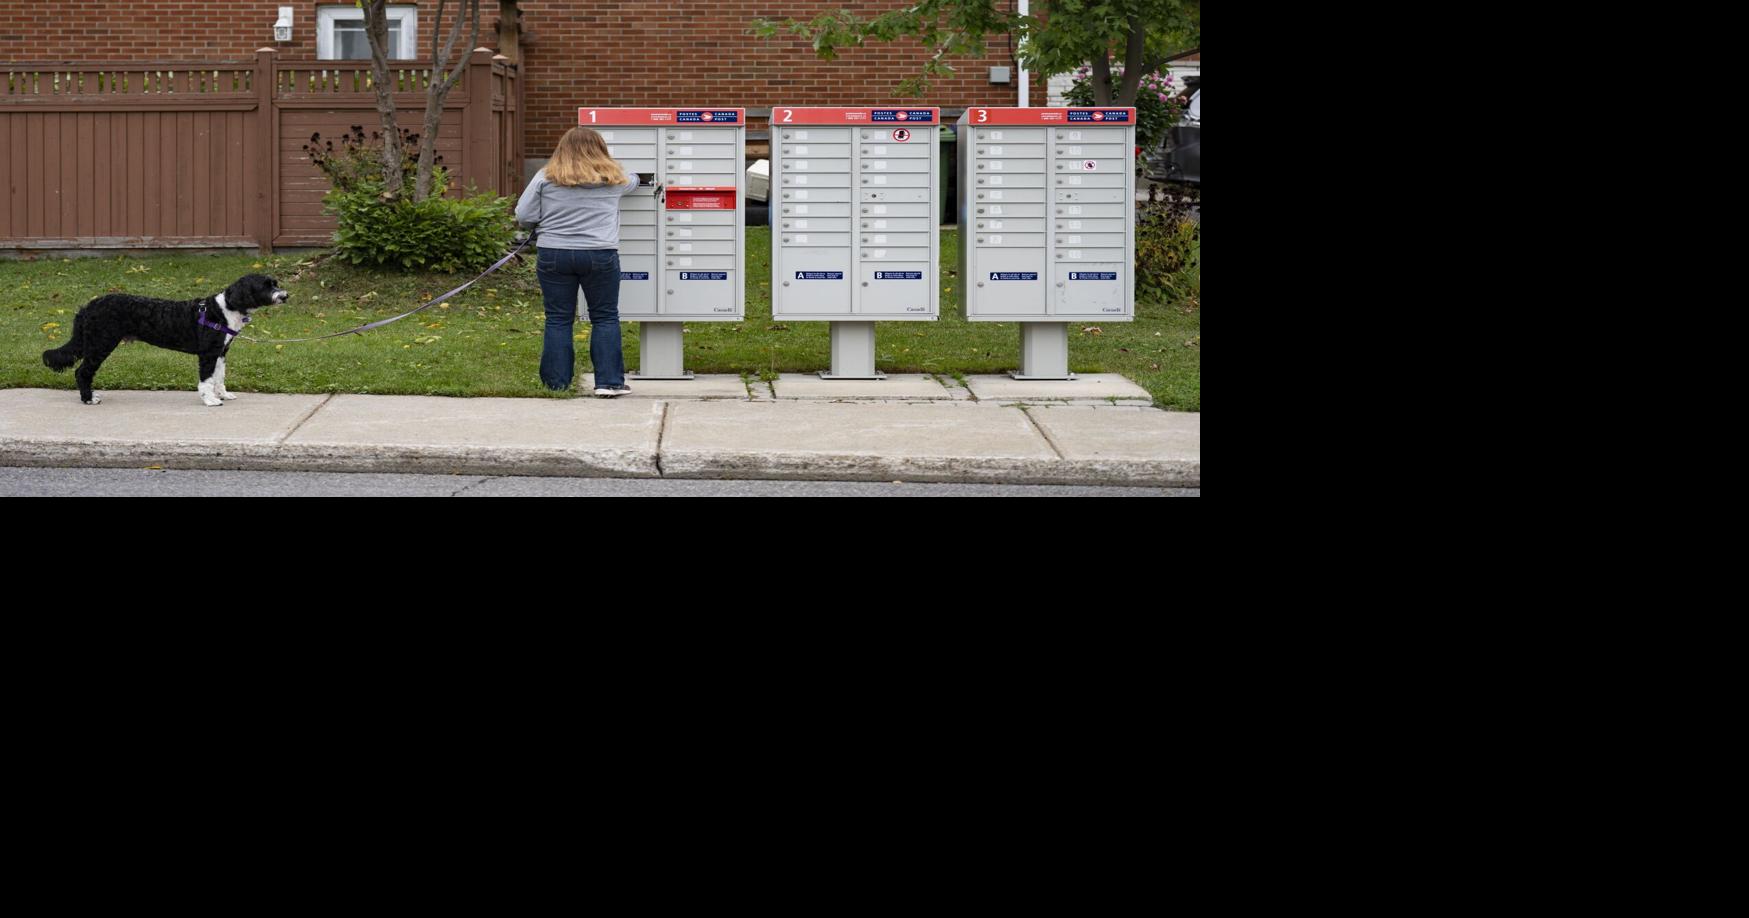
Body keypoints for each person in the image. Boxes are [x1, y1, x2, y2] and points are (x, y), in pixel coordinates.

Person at [515, 127, 642, 396]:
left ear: (562, 148)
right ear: (601, 149)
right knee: (605, 316)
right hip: (599, 254)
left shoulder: (546, 176)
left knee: (558, 318)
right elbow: (635, 180)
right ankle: (609, 383)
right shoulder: (614, 179)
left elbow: (524, 215)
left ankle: (556, 384)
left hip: (554, 254)